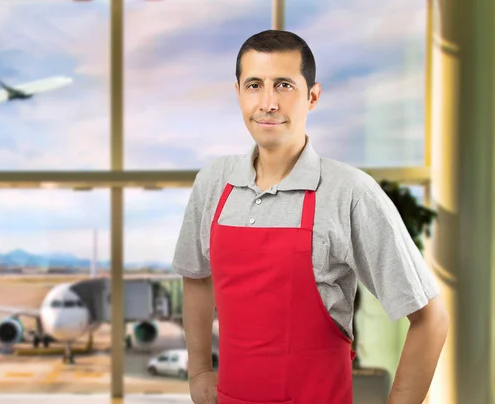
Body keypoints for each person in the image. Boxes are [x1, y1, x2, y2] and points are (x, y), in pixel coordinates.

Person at [172, 30, 449, 404]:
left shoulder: (349, 192)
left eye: (284, 85)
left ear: (312, 96)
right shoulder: (213, 183)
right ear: (238, 92)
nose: (268, 102)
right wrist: (201, 370)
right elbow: (196, 277)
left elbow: (431, 319)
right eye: (255, 85)